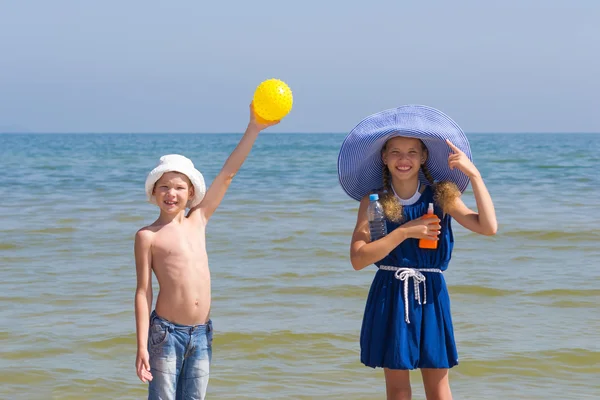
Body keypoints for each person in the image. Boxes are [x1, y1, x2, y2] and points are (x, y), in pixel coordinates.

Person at [337, 105, 497, 400]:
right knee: (398, 389)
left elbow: (488, 227)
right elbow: (359, 259)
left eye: (412, 152)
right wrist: (405, 232)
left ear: (423, 156)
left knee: (438, 387)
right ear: (384, 158)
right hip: (390, 291)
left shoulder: (442, 195)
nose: (404, 159)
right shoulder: (374, 202)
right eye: (395, 152)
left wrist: (474, 176)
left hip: (431, 293)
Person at [134, 104, 279, 400]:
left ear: (191, 194)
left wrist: (253, 128)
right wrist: (141, 344)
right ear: (154, 192)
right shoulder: (147, 236)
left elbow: (227, 174)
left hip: (201, 333)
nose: (171, 193)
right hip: (165, 333)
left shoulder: (198, 220)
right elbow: (143, 292)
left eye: (178, 187)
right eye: (164, 187)